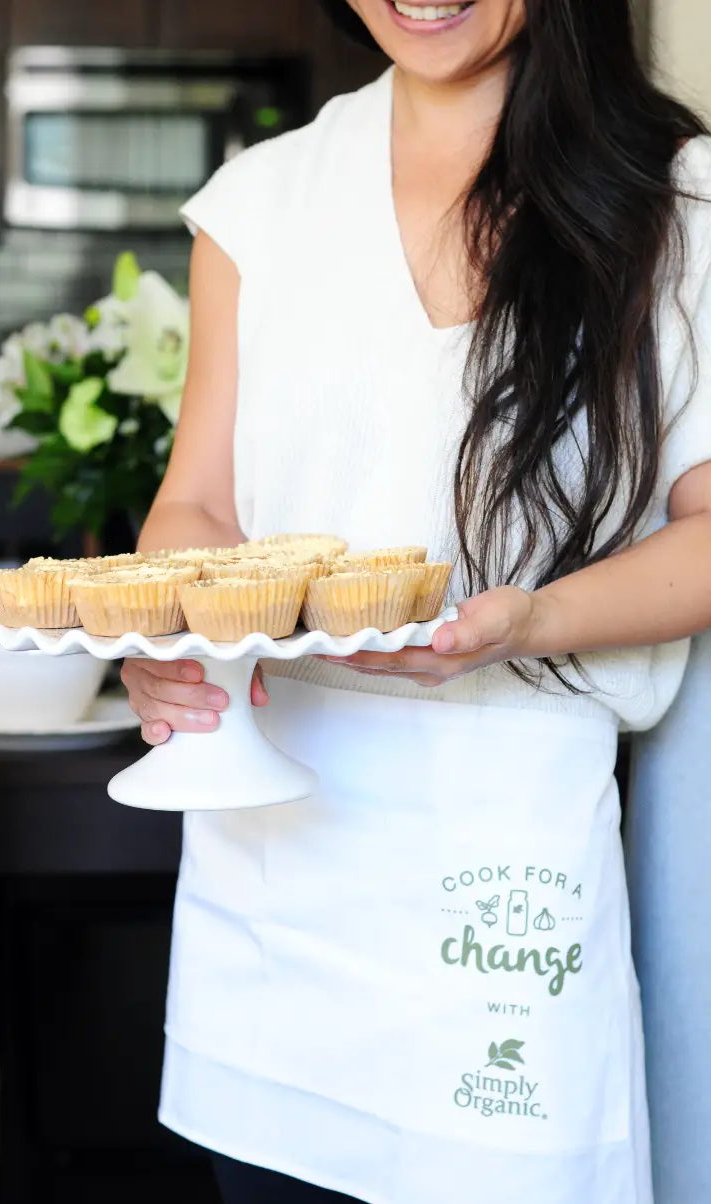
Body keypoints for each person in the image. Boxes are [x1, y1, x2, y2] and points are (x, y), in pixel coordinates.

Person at [121, 1, 711, 1201]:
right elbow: (194, 508)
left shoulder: (674, 200)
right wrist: (173, 635)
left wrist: (532, 618)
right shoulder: (261, 201)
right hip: (272, 883)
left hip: (506, 860)